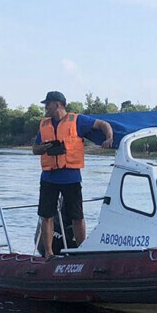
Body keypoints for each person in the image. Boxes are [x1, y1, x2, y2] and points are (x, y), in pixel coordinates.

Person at [32, 91, 113, 257]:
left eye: (47, 103)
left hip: (71, 178)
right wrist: (44, 148)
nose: (45, 107)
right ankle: (48, 253)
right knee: (46, 216)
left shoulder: (77, 120)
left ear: (57, 104)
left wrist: (109, 138)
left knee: (77, 216)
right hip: (49, 177)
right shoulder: (44, 125)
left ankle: (82, 251)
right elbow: (35, 148)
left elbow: (103, 124)